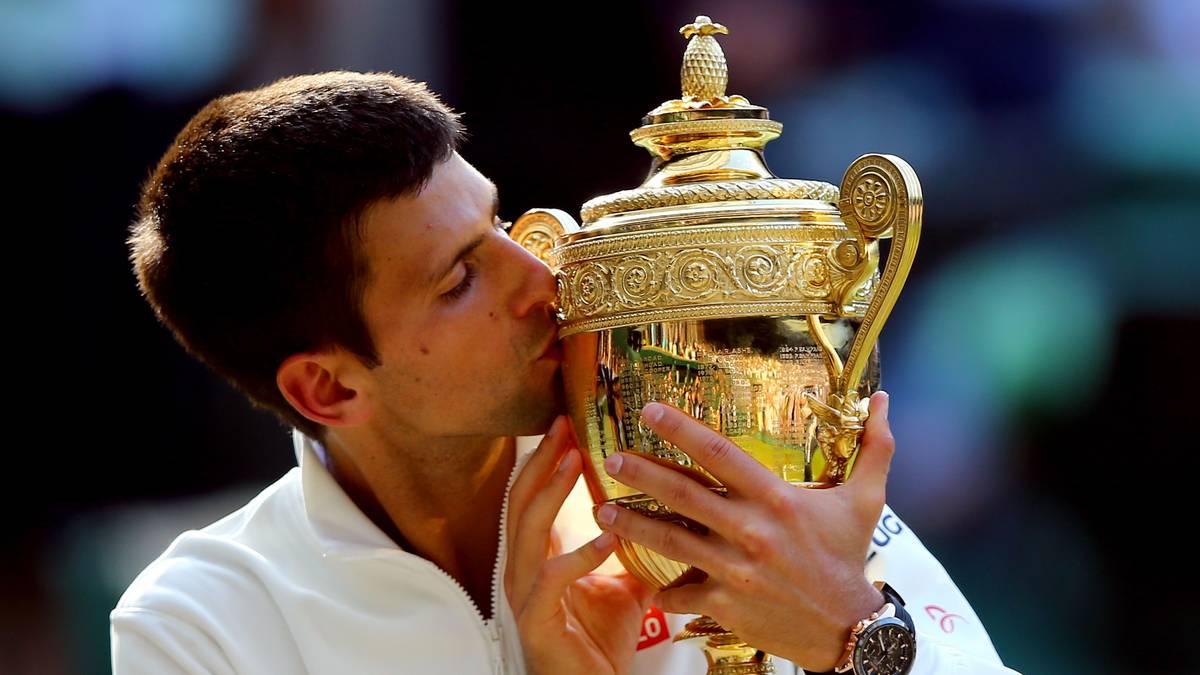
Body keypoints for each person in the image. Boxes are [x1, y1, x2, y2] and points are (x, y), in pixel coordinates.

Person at [112, 70, 1021, 674]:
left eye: (499, 225)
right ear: (330, 388)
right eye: (461, 278)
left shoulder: (714, 448)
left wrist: (853, 633)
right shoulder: (200, 623)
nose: (540, 278)